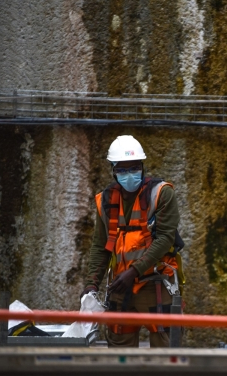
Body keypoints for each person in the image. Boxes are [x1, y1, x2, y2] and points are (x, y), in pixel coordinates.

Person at [82, 135, 183, 348]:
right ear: (114, 170)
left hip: (156, 283)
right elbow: (101, 246)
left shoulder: (162, 194)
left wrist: (134, 272)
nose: (129, 175)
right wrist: (91, 284)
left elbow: (165, 238)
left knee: (165, 348)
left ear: (142, 167)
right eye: (122, 170)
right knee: (120, 349)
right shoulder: (106, 200)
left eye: (134, 168)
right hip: (121, 285)